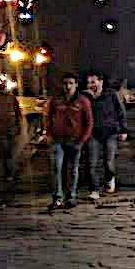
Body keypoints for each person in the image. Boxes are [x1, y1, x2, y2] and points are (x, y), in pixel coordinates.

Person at [44, 73, 93, 210]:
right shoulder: (55, 100)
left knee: (73, 169)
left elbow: (89, 122)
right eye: (66, 83)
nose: (68, 86)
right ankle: (58, 197)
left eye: (71, 83)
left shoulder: (83, 101)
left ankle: (71, 196)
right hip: (57, 140)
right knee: (57, 168)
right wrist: (49, 134)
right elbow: (47, 117)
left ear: (76, 85)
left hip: (75, 140)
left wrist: (82, 140)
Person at [85, 70, 128, 201]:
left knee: (109, 162)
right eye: (88, 82)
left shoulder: (111, 94)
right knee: (92, 163)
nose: (91, 85)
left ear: (100, 81)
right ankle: (94, 189)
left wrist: (123, 130)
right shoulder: (85, 97)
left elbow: (121, 112)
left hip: (111, 132)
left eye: (93, 81)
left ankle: (110, 178)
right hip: (93, 133)